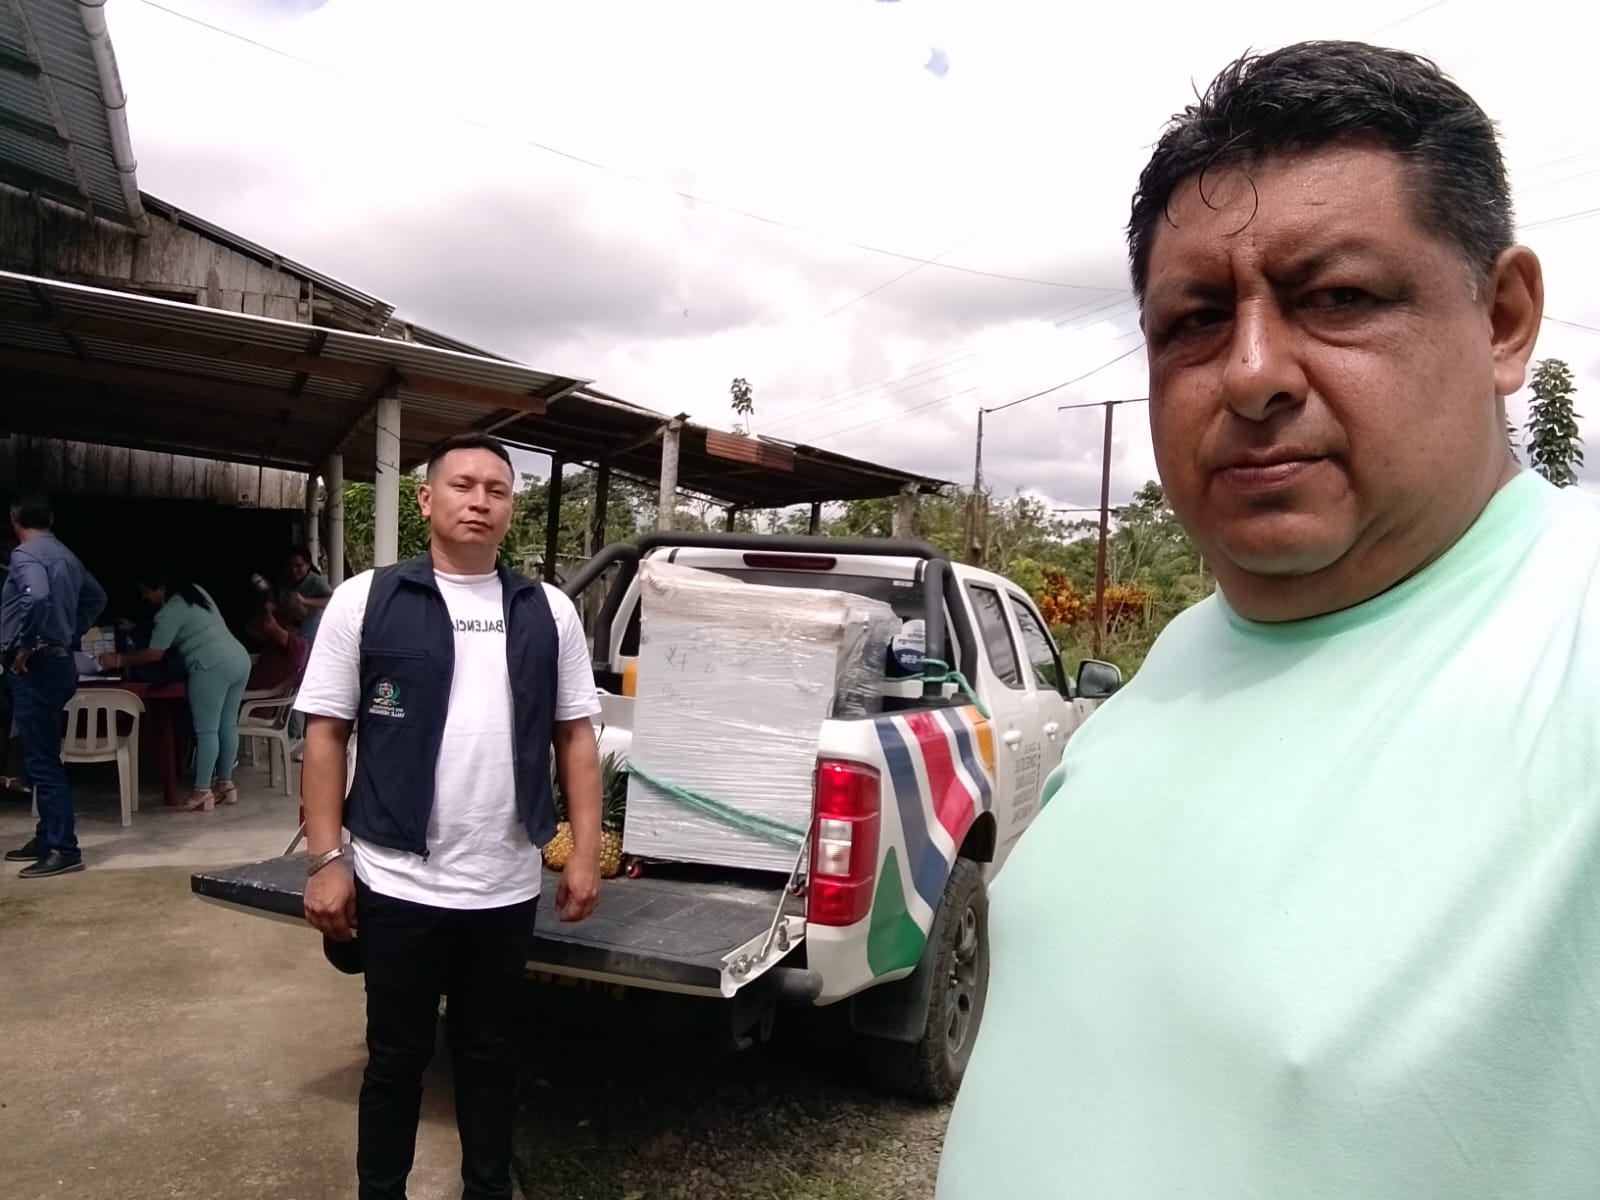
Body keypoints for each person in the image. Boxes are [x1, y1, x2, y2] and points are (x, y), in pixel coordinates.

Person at [937, 40, 1598, 1200]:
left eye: (1337, 298)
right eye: (1194, 319)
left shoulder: (1572, 638)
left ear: (1501, 320)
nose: (1249, 374)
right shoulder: (1175, 667)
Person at [296, 432, 604, 1200]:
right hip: (398, 881)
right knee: (396, 1060)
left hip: (503, 885)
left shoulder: (548, 611)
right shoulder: (367, 600)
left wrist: (583, 852)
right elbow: (326, 733)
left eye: (497, 490)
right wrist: (327, 860)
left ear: (510, 509)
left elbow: (575, 736)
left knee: (489, 1056)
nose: (479, 501)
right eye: (463, 486)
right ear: (426, 499)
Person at [2, 495, 107, 877]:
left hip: (37, 666)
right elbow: (97, 597)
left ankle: (63, 847)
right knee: (41, 755)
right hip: (57, 663)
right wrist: (68, 633)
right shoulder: (65, 554)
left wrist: (29, 644)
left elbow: (38, 597)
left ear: (14, 520)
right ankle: (47, 836)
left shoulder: (24, 555)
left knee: (42, 761)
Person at [100, 566, 252, 811]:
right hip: (238, 660)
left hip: (209, 667)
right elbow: (180, 626)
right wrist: (137, 628)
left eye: (146, 591)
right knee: (227, 725)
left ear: (161, 589)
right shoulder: (196, 593)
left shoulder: (168, 613)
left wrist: (119, 660)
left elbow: (154, 653)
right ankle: (225, 784)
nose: (144, 597)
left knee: (206, 731)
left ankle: (202, 791)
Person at [282, 544, 333, 645]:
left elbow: (332, 601)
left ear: (308, 565)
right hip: (292, 633)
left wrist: (304, 601)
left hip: (314, 636)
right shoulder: (284, 581)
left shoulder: (317, 581)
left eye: (299, 566)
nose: (294, 570)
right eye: (290, 566)